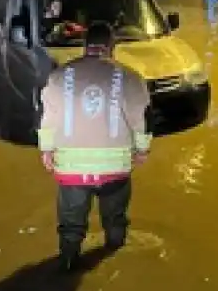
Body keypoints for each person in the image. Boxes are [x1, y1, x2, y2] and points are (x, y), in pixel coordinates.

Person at [38, 21, 152, 271]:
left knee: (71, 226)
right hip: (115, 169)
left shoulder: (58, 76)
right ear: (112, 46)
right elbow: (139, 120)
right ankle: (116, 258)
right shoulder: (130, 77)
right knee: (115, 220)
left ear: (85, 45)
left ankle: (67, 264)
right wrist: (142, 150)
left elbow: (48, 119)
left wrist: (46, 150)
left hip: (71, 169)